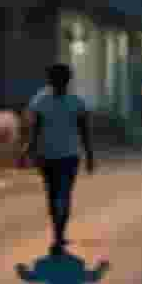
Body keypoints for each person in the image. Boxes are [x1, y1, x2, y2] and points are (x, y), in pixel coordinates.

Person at [19, 64, 95, 255]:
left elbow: (34, 131)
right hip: (62, 156)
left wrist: (26, 150)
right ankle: (59, 232)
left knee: (55, 195)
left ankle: (58, 233)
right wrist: (90, 155)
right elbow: (84, 132)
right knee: (62, 194)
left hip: (52, 155)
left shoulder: (41, 100)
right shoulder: (76, 101)